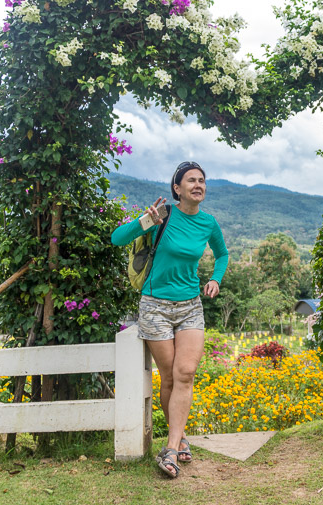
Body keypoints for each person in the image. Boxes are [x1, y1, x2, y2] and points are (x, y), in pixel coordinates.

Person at [111, 161, 228, 479]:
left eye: (202, 180)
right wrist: (144, 221)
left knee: (186, 373)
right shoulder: (163, 216)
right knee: (169, 378)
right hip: (155, 306)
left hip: (190, 306)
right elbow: (117, 239)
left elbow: (223, 253)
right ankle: (180, 438)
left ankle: (171, 448)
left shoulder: (208, 223)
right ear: (177, 188)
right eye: (191, 180)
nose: (198, 185)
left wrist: (216, 278)